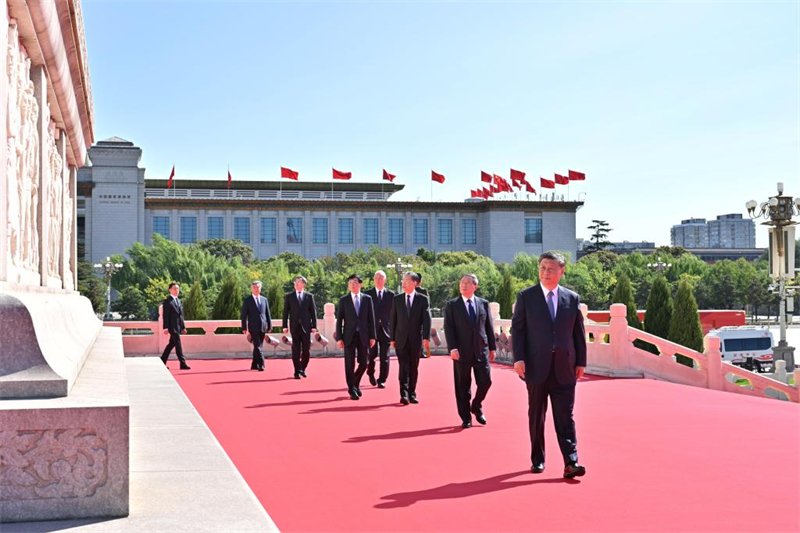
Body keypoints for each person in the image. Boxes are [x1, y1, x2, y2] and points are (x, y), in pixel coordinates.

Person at [511, 251, 587, 479]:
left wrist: (581, 361)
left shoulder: (571, 298)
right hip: (536, 366)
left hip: (565, 367)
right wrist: (518, 358)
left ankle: (571, 461)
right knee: (537, 415)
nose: (546, 272)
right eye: (543, 268)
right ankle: (538, 459)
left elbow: (578, 333)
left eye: (551, 268)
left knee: (565, 416)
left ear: (561, 271)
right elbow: (519, 330)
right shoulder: (526, 297)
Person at [443, 274, 496, 428]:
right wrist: (452, 348)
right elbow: (449, 328)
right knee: (462, 386)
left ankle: (476, 405)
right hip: (461, 352)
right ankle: (466, 417)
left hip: (481, 350)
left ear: (475, 286)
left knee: (486, 381)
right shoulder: (452, 305)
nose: (463, 285)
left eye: (467, 282)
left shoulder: (483, 303)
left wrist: (492, 347)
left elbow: (489, 327)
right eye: (461, 282)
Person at [390, 271, 431, 405]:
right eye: (403, 281)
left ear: (414, 283)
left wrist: (426, 338)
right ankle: (404, 394)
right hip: (400, 339)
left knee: (414, 367)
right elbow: (393, 319)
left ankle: (412, 393)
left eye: (407, 281)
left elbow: (426, 320)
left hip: (415, 340)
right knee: (403, 367)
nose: (404, 283)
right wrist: (392, 338)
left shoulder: (422, 299)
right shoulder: (397, 299)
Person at [336, 274, 376, 400]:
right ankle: (352, 389)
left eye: (354, 282)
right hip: (349, 336)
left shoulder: (367, 299)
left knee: (364, 363)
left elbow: (371, 319)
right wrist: (339, 338)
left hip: (364, 335)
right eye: (350, 283)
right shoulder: (344, 300)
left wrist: (373, 336)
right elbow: (339, 320)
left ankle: (355, 383)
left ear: (360, 284)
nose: (352, 285)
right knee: (349, 363)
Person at [283, 275, 317, 379]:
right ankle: (297, 371)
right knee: (295, 349)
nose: (296, 284)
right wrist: (284, 326)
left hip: (306, 327)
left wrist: (314, 326)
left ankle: (302, 367)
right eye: (295, 282)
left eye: (299, 282)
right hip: (294, 326)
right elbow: (285, 312)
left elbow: (313, 312)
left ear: (304, 284)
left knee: (306, 349)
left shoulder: (309, 296)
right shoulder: (289, 296)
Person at [364, 270, 395, 388]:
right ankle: (370, 373)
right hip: (372, 330)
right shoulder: (367, 295)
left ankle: (382, 379)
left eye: (381, 278)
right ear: (373, 280)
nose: (378, 280)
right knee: (372, 355)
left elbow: (394, 314)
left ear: (385, 280)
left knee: (385, 356)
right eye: (376, 278)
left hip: (386, 330)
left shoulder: (391, 295)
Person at [241, 280, 271, 372]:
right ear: (251, 289)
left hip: (262, 326)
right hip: (253, 327)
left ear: (260, 288)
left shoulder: (264, 299)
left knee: (259, 345)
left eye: (258, 287)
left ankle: (254, 364)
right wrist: (244, 327)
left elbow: (267, 314)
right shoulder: (247, 301)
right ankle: (261, 364)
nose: (256, 289)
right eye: (254, 287)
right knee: (258, 345)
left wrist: (270, 326)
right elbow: (243, 315)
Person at [161, 282, 191, 370]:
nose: (176, 290)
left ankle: (162, 361)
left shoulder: (178, 301)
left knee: (171, 345)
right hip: (172, 327)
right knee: (178, 344)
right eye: (174, 288)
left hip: (178, 327)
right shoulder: (167, 301)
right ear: (170, 289)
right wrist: (165, 328)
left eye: (177, 288)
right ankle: (183, 363)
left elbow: (180, 316)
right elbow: (165, 315)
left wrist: (183, 327)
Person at [415, 274, 430, 358]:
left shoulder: (409, 291)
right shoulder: (424, 291)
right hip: (422, 317)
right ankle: (420, 351)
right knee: (420, 335)